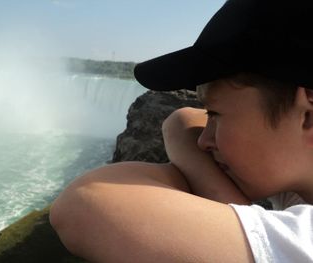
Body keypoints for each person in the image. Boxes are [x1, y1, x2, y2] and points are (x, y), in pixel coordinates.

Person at [50, 0, 313, 262]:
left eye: (216, 115)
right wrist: (232, 203)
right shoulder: (297, 179)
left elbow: (84, 204)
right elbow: (182, 119)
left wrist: (232, 207)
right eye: (209, 115)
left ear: (308, 115)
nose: (203, 140)